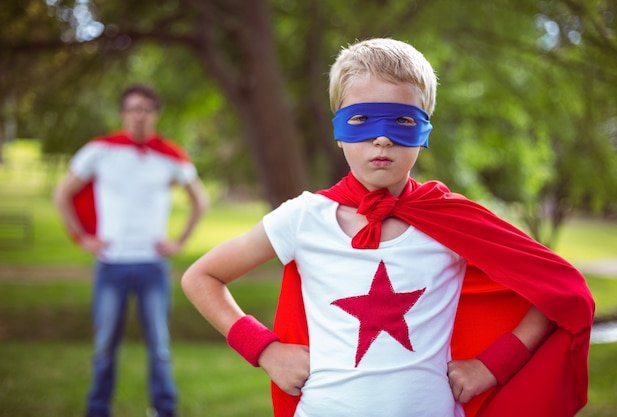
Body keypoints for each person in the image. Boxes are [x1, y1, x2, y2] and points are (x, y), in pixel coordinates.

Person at [181, 38, 594, 417]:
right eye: (361, 119)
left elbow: (558, 290)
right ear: (339, 133)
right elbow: (202, 276)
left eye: (402, 121)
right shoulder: (303, 218)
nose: (382, 139)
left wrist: (494, 364)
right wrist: (265, 349)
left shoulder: (451, 219)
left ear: (424, 132)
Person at [54, 83, 209, 417]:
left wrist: (179, 242)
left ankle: (164, 410)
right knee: (104, 347)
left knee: (160, 348)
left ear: (155, 113)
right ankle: (98, 410)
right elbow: (62, 193)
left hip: (153, 265)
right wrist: (81, 238)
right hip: (111, 264)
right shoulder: (100, 150)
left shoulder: (170, 155)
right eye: (133, 108)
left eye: (146, 109)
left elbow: (201, 200)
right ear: (123, 113)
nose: (139, 115)